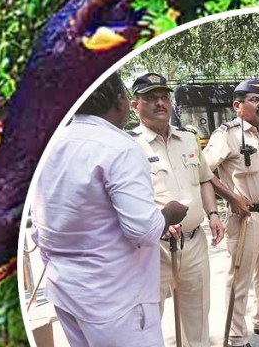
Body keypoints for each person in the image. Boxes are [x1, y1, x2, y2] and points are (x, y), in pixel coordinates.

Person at [29, 74, 188, 347]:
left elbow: (37, 227)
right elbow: (144, 230)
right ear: (122, 101)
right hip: (116, 301)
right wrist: (171, 212)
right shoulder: (119, 147)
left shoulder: (52, 144)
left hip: (67, 291)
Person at [128, 73, 228, 347]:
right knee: (148, 322)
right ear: (134, 106)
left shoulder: (188, 139)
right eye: (150, 98)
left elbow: (205, 178)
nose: (160, 103)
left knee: (197, 318)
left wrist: (214, 214)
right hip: (153, 250)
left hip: (194, 242)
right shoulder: (128, 145)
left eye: (164, 97)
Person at [204, 79, 259, 346]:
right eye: (254, 100)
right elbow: (203, 171)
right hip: (244, 219)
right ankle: (236, 336)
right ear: (237, 105)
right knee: (239, 278)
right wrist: (231, 197)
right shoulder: (226, 135)